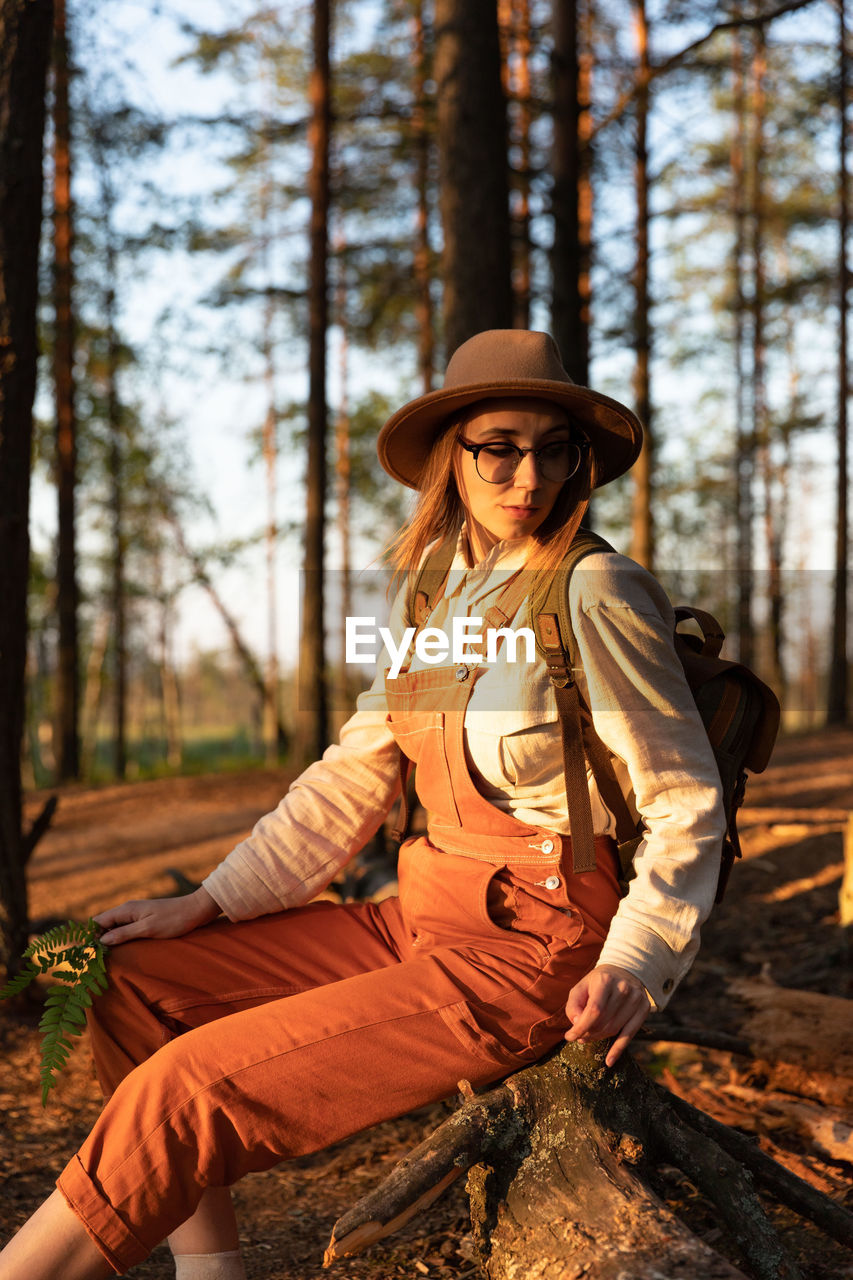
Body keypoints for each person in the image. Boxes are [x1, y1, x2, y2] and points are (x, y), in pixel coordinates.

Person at [0, 329, 725, 1280]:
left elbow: (684, 803)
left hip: (533, 945)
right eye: (497, 446)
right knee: (125, 978)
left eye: (554, 449)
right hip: (418, 916)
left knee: (186, 1087)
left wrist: (638, 960)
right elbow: (352, 776)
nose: (528, 475)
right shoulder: (438, 594)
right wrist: (207, 902)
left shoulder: (595, 588)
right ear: (449, 459)